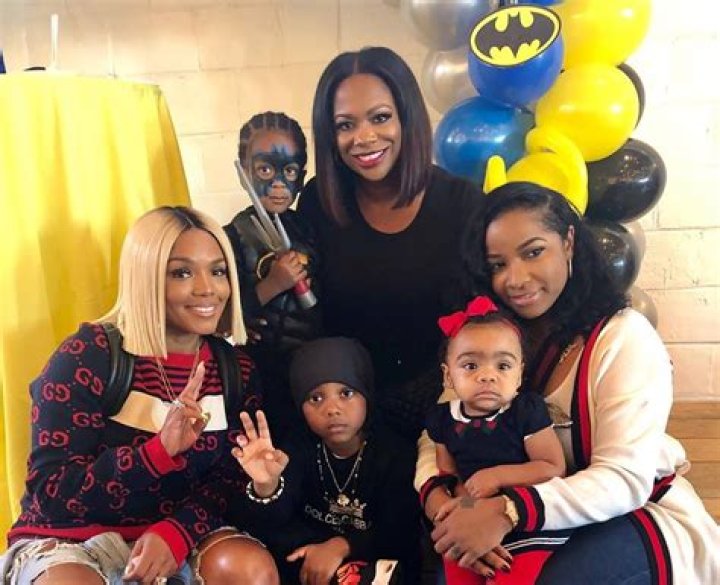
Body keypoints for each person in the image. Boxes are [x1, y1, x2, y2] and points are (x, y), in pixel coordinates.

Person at [418, 182, 720, 584]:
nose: (515, 279)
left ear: (569, 242)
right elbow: (440, 428)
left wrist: (508, 512)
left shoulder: (623, 337)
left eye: (533, 252)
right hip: (516, 513)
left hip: (630, 511)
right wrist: (445, 505)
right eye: (497, 265)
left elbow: (625, 479)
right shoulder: (489, 336)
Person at [1, 206, 279, 585]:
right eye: (181, 273)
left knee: (251, 569)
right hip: (72, 538)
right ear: (145, 278)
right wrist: (156, 454)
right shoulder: (87, 355)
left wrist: (177, 533)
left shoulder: (236, 370)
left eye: (218, 271)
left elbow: (227, 482)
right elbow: (52, 491)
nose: (207, 289)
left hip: (176, 533)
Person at [296, 46, 484, 444]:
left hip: (447, 413)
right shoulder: (318, 203)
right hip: (346, 423)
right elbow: (314, 322)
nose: (364, 138)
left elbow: (480, 322)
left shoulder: (462, 203)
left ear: (407, 117)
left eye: (380, 117)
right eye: (345, 125)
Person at [231, 337, 420, 585]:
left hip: (374, 564)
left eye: (346, 393)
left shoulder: (394, 454)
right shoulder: (296, 448)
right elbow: (271, 524)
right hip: (304, 561)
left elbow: (401, 534)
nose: (332, 409)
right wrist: (266, 485)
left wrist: (342, 545)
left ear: (366, 395)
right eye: (316, 398)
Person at [426, 295, 567, 584]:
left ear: (519, 374)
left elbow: (553, 467)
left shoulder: (525, 411)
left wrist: (497, 476)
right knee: (456, 569)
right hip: (474, 510)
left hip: (526, 517)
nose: (487, 376)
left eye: (502, 366)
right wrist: (465, 511)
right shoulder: (442, 419)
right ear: (448, 376)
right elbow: (450, 476)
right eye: (470, 366)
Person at [224, 111, 322, 442]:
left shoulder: (308, 229)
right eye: (265, 170)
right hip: (258, 368)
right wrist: (272, 285)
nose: (278, 184)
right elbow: (224, 315)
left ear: (301, 176)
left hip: (309, 364)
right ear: (244, 172)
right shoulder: (230, 238)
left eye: (289, 171)